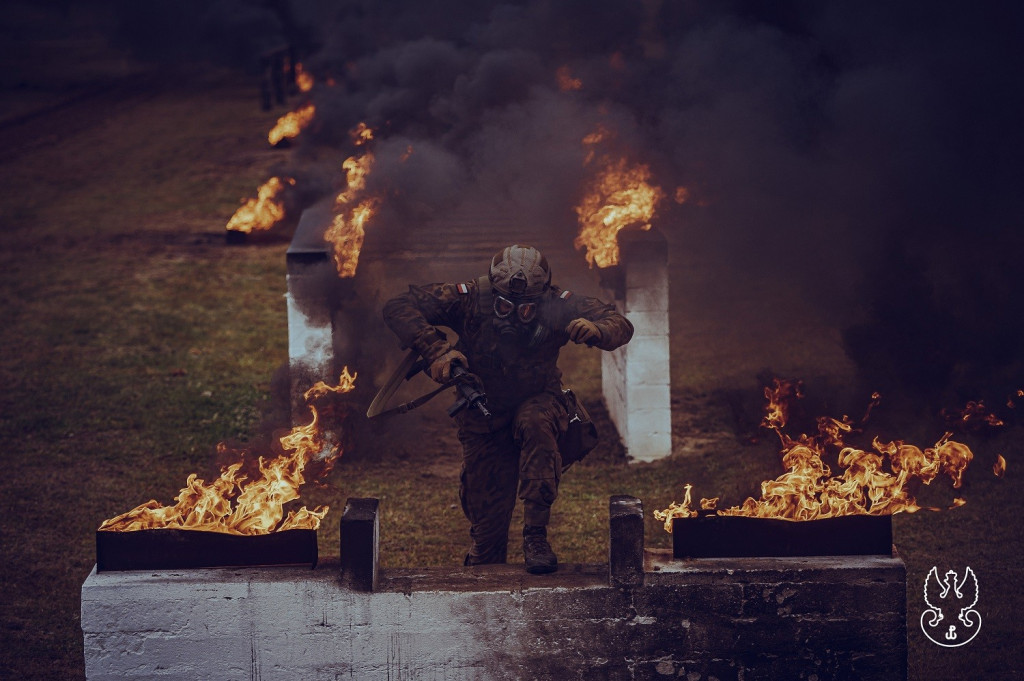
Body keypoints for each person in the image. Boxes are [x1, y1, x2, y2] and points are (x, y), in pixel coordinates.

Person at [382, 245, 633, 574]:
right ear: (492, 293)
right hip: (483, 414)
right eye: (503, 306)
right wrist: (436, 350)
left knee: (535, 422)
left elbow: (620, 323)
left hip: (540, 400)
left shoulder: (559, 304)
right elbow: (399, 306)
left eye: (526, 309)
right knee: (486, 539)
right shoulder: (468, 298)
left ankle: (535, 535)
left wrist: (597, 329)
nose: (514, 315)